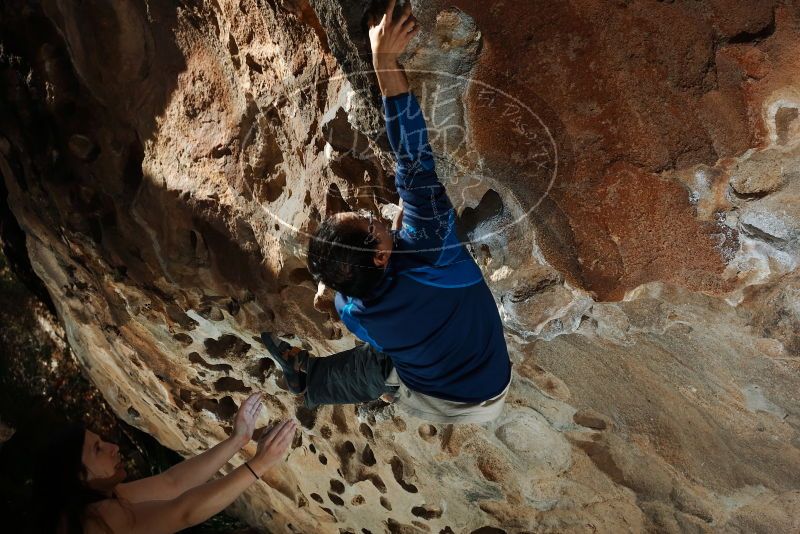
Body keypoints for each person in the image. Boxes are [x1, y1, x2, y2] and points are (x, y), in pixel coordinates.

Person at [263, 0, 512, 424]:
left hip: (449, 394)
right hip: (469, 394)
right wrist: (384, 60)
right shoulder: (430, 248)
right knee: (383, 363)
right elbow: (412, 157)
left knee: (388, 346)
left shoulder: (351, 309)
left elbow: (363, 284)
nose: (377, 217)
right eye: (371, 225)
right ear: (380, 257)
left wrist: (388, 247)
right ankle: (312, 383)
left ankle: (309, 381)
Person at [33, 393, 296, 533]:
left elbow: (172, 484)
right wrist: (259, 464)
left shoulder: (101, 497)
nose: (113, 447)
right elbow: (183, 514)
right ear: (78, 475)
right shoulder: (96, 521)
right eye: (97, 449)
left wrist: (238, 440)